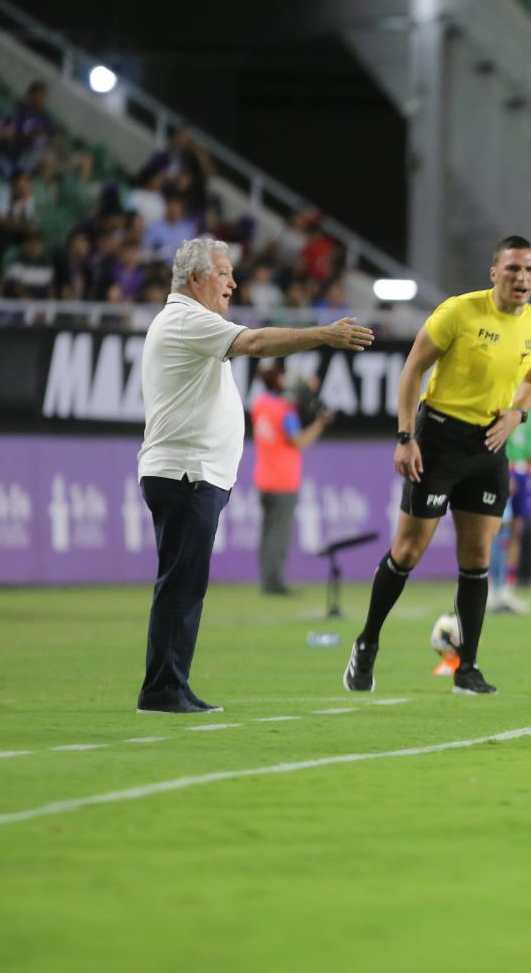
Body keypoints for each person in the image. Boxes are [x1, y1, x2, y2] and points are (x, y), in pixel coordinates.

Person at [137, 238, 373, 713]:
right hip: (187, 474)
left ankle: (171, 684)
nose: (233, 282)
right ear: (196, 278)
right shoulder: (187, 319)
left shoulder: (188, 321)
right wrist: (322, 334)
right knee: (182, 586)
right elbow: (257, 342)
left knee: (184, 585)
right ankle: (162, 689)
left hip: (192, 473)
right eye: (224, 272)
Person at [344, 235, 531, 696]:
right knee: (408, 552)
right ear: (494, 272)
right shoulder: (459, 312)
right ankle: (367, 643)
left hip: (489, 446)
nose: (522, 278)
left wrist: (517, 413)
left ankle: (467, 667)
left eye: (530, 270)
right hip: (438, 439)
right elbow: (412, 370)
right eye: (513, 269)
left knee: (477, 558)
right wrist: (405, 437)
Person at [250, 364, 333, 596]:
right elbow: (299, 441)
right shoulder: (285, 412)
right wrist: (319, 423)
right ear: (277, 380)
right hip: (283, 481)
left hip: (263, 478)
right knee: (279, 535)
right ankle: (275, 584)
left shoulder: (260, 405)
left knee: (267, 534)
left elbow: (293, 391)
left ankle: (268, 581)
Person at [488, 388, 531, 613]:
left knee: (517, 529)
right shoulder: (506, 380)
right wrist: (499, 464)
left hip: (526, 468)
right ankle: (490, 589)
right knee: (495, 528)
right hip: (504, 465)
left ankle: (507, 589)